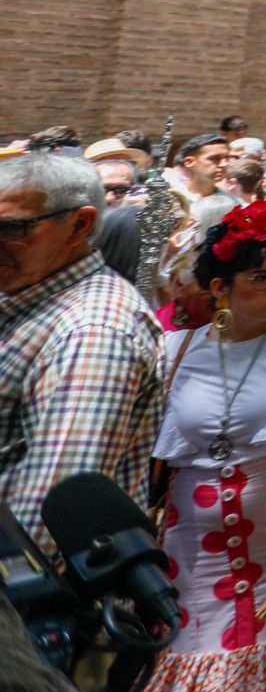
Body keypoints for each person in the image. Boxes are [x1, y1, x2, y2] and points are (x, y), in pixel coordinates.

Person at [135, 203, 266, 692]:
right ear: (219, 287)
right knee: (195, 648)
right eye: (260, 277)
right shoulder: (175, 350)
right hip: (193, 543)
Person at [0, 153, 162, 555]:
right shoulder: (28, 294)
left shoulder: (93, 332)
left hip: (25, 609)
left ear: (79, 225)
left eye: (11, 228)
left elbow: (43, 524)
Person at [168, 132, 234, 205]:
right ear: (189, 162)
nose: (224, 164)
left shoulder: (232, 204)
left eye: (227, 158)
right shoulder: (169, 201)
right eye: (214, 158)